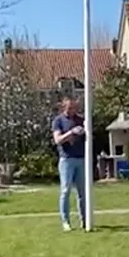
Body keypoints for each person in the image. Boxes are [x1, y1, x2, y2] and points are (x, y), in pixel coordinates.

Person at [51, 97, 88, 231]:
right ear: (64, 107)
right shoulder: (58, 121)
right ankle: (65, 221)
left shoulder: (81, 119)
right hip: (66, 160)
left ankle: (85, 220)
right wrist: (71, 133)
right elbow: (57, 140)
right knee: (65, 190)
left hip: (81, 159)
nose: (73, 110)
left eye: (75, 107)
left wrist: (83, 131)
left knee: (83, 192)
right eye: (70, 107)